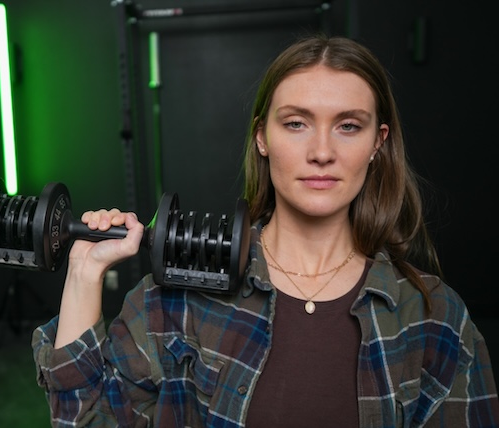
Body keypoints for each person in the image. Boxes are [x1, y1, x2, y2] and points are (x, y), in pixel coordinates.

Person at [31, 34, 499, 427]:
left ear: (378, 143)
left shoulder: (435, 320)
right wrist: (82, 274)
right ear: (262, 137)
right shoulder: (176, 301)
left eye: (348, 126)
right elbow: (84, 419)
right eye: (296, 123)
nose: (321, 151)